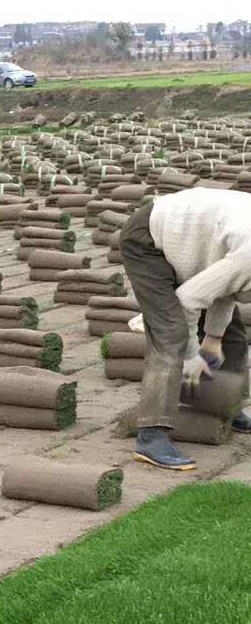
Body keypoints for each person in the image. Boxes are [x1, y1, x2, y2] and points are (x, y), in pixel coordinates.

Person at [120, 188, 251, 472]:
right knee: (172, 334)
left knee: (234, 334)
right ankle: (151, 436)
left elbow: (226, 289)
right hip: (149, 242)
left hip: (193, 244)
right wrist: (193, 355)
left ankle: (225, 404)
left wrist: (214, 338)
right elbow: (190, 300)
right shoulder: (249, 254)